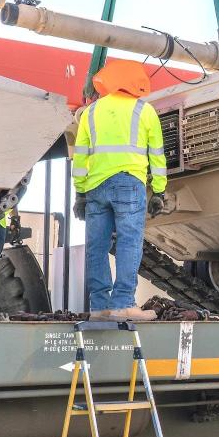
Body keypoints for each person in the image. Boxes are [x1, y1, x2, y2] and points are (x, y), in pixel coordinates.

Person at [71, 60, 167, 322]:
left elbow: (80, 156)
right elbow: (157, 155)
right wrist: (158, 191)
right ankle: (124, 303)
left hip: (96, 188)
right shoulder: (144, 111)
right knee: (129, 241)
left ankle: (100, 307)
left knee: (96, 247)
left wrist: (80, 193)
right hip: (128, 184)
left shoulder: (90, 112)